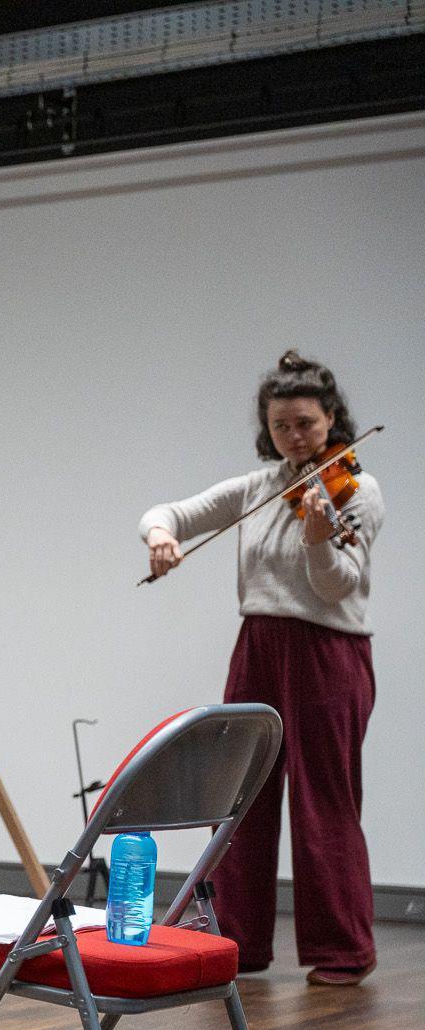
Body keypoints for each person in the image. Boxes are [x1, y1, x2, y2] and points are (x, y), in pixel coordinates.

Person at [140, 350, 384, 986]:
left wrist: (317, 537)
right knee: (241, 794)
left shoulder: (355, 491)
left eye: (306, 423)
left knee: (323, 801)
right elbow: (169, 512)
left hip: (328, 652)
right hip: (258, 647)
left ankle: (342, 950)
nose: (295, 437)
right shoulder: (257, 487)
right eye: (282, 427)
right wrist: (161, 537)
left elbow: (337, 588)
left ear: (331, 418)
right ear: (267, 430)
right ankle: (237, 940)